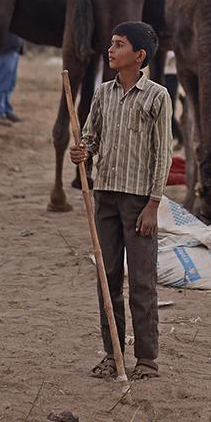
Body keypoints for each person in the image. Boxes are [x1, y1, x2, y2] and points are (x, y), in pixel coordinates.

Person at [69, 21, 172, 381]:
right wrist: (82, 152)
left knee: (142, 282)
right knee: (107, 278)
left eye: (119, 45)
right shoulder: (102, 93)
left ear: (139, 55)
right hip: (105, 197)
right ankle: (112, 356)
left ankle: (146, 360)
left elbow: (163, 155)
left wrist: (153, 204)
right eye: (111, 44)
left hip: (139, 202)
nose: (110, 50)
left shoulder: (157, 96)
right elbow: (91, 137)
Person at [0, 32, 23, 125]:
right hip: (5, 50)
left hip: (14, 49)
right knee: (3, 84)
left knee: (11, 83)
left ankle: (6, 110)